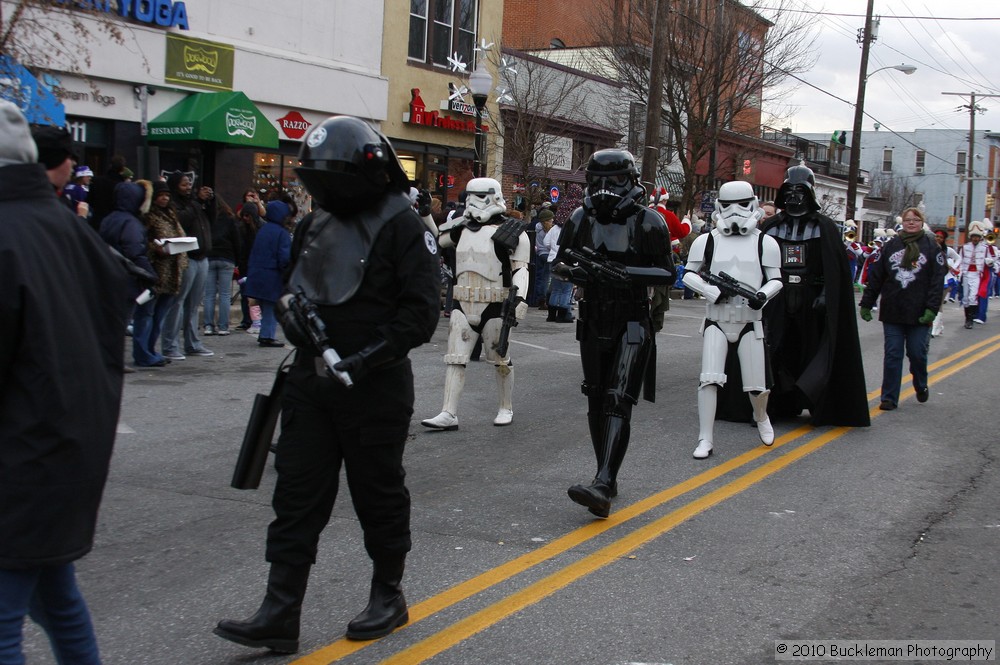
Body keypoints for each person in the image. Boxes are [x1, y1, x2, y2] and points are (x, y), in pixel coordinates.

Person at [213, 115, 439, 651]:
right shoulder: (313, 226)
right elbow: (296, 286)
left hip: (374, 387)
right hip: (310, 384)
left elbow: (421, 313)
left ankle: (388, 593)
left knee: (377, 493)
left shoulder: (405, 226)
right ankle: (280, 609)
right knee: (295, 495)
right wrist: (291, 313)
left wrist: (364, 358)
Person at [0, 100, 129, 665]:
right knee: (55, 597)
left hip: (22, 452)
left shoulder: (16, 232)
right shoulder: (70, 229)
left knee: (9, 616)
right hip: (67, 442)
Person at [551, 149, 674, 518]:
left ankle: (603, 481)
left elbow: (668, 272)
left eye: (614, 180)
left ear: (631, 180)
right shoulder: (579, 218)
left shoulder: (648, 221)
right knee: (595, 397)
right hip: (593, 317)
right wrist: (581, 274)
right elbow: (560, 262)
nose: (605, 189)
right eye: (598, 181)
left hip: (632, 319)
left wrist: (625, 275)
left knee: (618, 399)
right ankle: (606, 475)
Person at [761, 165, 870, 427]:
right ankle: (775, 402)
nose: (794, 196)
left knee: (813, 350)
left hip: (812, 299)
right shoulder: (772, 226)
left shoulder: (825, 227)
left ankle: (816, 403)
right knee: (775, 349)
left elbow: (834, 269)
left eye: (800, 190)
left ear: (810, 193)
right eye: (789, 190)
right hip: (778, 296)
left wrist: (824, 293)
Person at [681, 181, 783, 459]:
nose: (734, 212)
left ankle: (762, 418)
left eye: (741, 204)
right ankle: (705, 437)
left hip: (750, 318)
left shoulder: (765, 242)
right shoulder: (707, 240)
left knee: (756, 384)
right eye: (727, 205)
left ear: (753, 204)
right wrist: (711, 290)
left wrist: (762, 294)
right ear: (718, 207)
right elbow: (688, 273)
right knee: (709, 380)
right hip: (717, 318)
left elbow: (776, 279)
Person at [421, 177, 531, 430]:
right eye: (469, 196)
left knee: (501, 359)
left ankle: (506, 407)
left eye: (479, 196)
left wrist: (521, 299)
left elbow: (520, 269)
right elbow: (438, 239)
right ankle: (449, 412)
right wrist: (427, 215)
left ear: (494, 197)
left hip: (495, 304)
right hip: (462, 301)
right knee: (455, 358)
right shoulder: (460, 228)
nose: (473, 202)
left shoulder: (512, 232)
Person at [858, 207, 946, 410]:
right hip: (893, 310)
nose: (911, 223)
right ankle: (889, 397)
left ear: (921, 222)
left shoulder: (932, 247)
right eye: (908, 220)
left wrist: (932, 309)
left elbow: (937, 281)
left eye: (915, 220)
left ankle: (920, 384)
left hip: (920, 313)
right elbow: (876, 276)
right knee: (893, 354)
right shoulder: (890, 247)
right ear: (902, 223)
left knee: (917, 353)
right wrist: (867, 302)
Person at [97, 179, 160, 366]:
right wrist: (150, 275)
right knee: (121, 320)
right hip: (126, 277)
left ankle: (107, 357)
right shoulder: (131, 223)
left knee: (111, 321)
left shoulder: (108, 219)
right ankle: (113, 360)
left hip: (108, 274)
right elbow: (135, 252)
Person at [162, 171, 215, 359]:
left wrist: (206, 202)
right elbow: (181, 221)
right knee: (178, 302)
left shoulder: (195, 203)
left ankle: (192, 343)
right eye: (184, 184)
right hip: (186, 257)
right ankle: (170, 345)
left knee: (193, 305)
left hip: (202, 257)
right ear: (175, 186)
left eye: (189, 184)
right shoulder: (174, 204)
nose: (188, 187)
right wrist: (196, 203)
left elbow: (212, 219)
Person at [135, 180, 188, 365]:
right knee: (147, 314)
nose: (165, 198)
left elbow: (179, 235)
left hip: (172, 271)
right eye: (161, 195)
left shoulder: (171, 214)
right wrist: (154, 248)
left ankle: (151, 350)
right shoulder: (148, 216)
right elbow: (140, 241)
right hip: (155, 271)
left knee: (159, 316)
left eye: (167, 195)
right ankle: (142, 353)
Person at [243, 200, 292, 348]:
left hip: (258, 272)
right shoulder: (281, 233)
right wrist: (288, 272)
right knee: (272, 307)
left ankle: (265, 333)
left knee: (265, 306)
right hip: (272, 274)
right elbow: (284, 257)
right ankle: (267, 336)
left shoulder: (263, 230)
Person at [203, 195, 241, 336]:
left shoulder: (207, 218)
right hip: (227, 257)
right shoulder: (229, 219)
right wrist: (237, 260)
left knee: (209, 294)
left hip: (210, 256)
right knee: (225, 294)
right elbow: (236, 240)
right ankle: (223, 326)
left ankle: (208, 326)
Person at [957, 219, 997, 328]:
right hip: (966, 274)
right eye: (973, 236)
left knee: (973, 296)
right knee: (965, 297)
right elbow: (960, 261)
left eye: (977, 236)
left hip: (977, 275)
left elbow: (992, 259)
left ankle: (970, 319)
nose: (975, 238)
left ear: (980, 237)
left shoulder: (985, 248)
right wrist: (958, 274)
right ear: (971, 236)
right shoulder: (964, 248)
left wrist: (990, 262)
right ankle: (967, 318)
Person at [235, 203, 261, 330]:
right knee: (245, 295)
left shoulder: (259, 228)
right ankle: (247, 320)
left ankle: (255, 321)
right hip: (245, 265)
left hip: (255, 265)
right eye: (244, 215)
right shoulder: (241, 229)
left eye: (247, 216)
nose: (245, 218)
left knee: (253, 296)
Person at [931, 229, 961, 337]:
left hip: (945, 279)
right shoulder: (930, 248)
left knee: (939, 302)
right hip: (932, 279)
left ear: (944, 239)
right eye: (936, 236)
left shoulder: (948, 250)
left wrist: (952, 267)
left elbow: (958, 258)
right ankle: (940, 325)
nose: (938, 239)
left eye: (940, 237)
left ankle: (934, 328)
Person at [87, 155, 129, 232]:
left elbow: (89, 201)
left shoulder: (96, 181)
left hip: (97, 221)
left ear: (110, 166)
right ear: (122, 169)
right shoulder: (123, 186)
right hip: (114, 225)